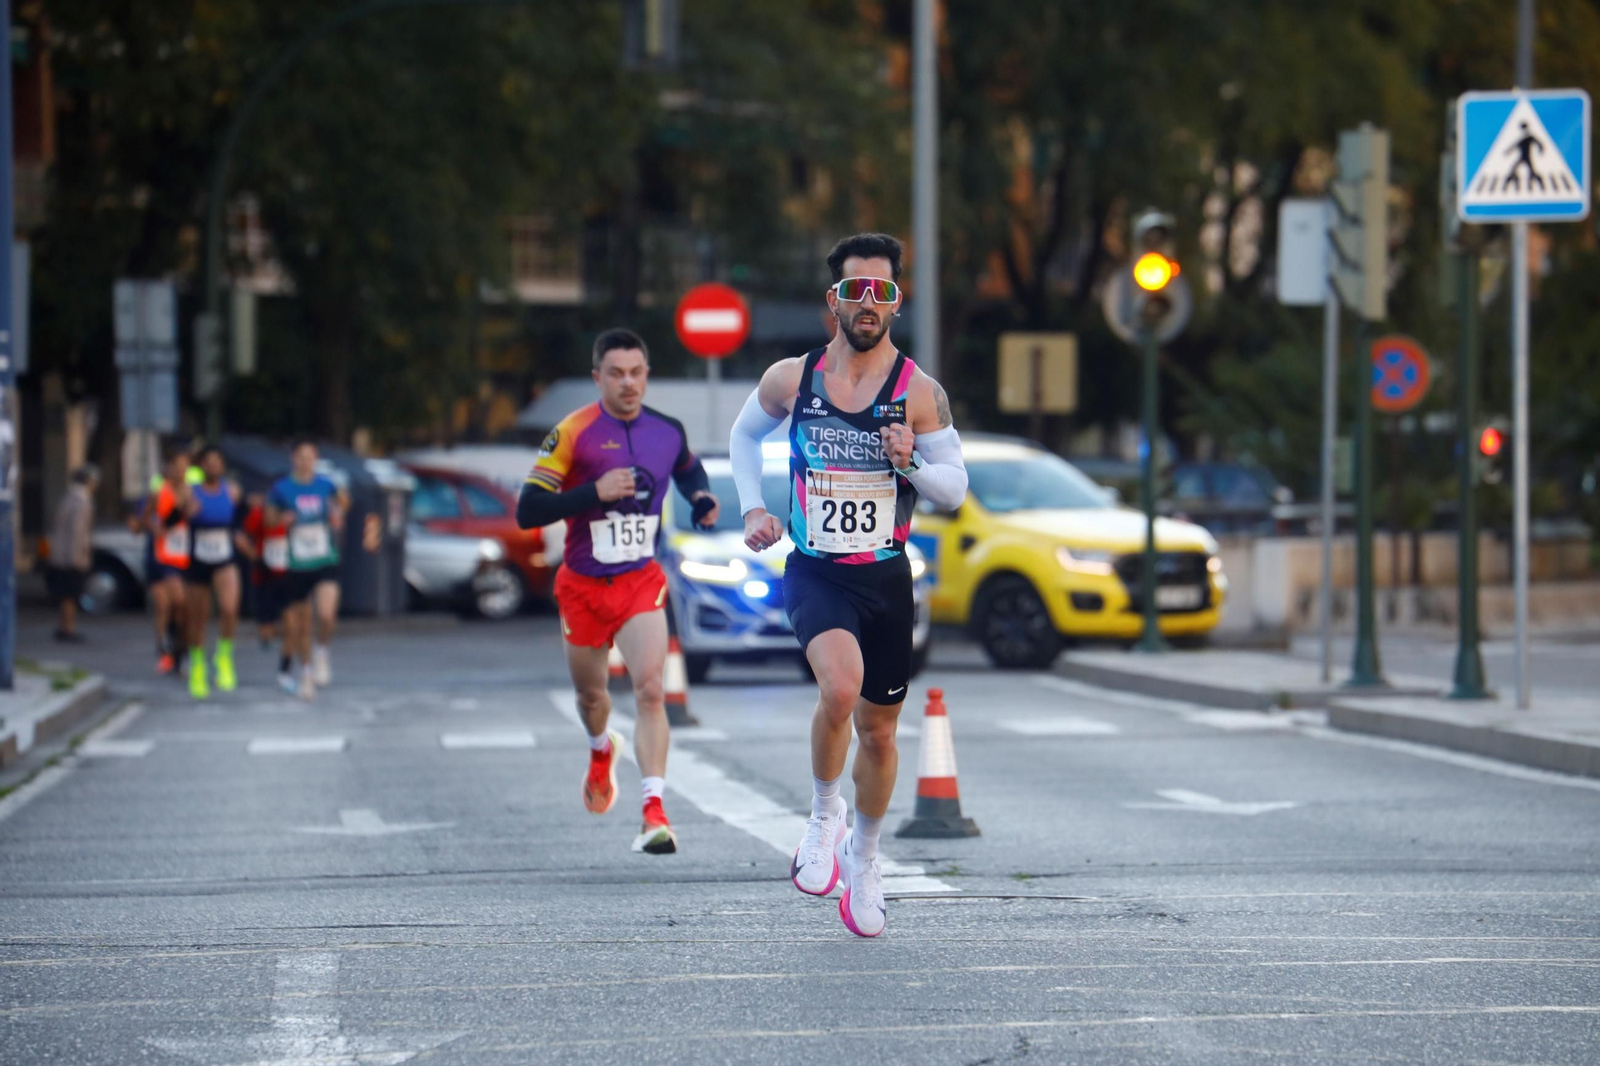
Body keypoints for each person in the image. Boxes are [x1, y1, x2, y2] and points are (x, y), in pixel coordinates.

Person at [729, 233, 968, 938]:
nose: (870, 304)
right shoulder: (791, 379)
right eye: (856, 290)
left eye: (883, 292)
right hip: (816, 567)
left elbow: (954, 489)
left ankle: (865, 857)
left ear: (896, 303)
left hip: (885, 576)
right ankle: (823, 812)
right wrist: (752, 508)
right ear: (832, 300)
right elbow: (744, 438)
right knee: (839, 689)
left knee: (881, 732)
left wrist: (911, 464)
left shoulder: (920, 393)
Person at [517, 328, 719, 856]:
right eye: (616, 374)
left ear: (646, 375)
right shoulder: (572, 432)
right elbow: (527, 509)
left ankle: (654, 811)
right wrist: (592, 493)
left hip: (638, 581)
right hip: (583, 586)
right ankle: (600, 749)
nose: (628, 383)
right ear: (597, 377)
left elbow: (688, 467)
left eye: (636, 373)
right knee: (592, 696)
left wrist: (700, 498)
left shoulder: (666, 430)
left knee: (651, 690)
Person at [266, 440, 348, 701]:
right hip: (297, 561)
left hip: (324, 557)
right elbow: (268, 518)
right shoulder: (281, 488)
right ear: (293, 459)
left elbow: (343, 503)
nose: (305, 462)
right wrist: (281, 520)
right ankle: (306, 672)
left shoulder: (326, 484)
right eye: (300, 457)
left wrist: (338, 512)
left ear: (316, 459)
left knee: (326, 615)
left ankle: (322, 650)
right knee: (302, 623)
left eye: (310, 457)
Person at [181, 446, 249, 699]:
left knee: (230, 608)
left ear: (222, 466)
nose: (212, 467)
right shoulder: (191, 493)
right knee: (197, 618)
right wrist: (186, 513)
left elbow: (240, 521)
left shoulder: (231, 491)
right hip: (198, 557)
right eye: (207, 463)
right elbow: (174, 522)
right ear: (201, 466)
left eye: (216, 462)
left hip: (224, 555)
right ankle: (198, 665)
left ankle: (224, 655)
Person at [146, 446, 194, 675]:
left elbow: (196, 515)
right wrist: (154, 526)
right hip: (164, 556)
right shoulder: (160, 492)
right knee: (166, 604)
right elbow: (147, 519)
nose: (181, 471)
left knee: (182, 608)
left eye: (185, 466)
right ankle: (163, 648)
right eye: (177, 466)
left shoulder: (193, 492)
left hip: (186, 557)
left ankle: (178, 649)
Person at [241, 490, 293, 683]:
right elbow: (242, 536)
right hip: (264, 575)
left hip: (286, 576)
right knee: (266, 625)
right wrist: (254, 555)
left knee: (291, 623)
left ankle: (285, 666)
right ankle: (267, 634)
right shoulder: (257, 516)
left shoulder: (291, 517)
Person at [46, 464, 99, 643]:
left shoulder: (67, 497)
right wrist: (79, 557)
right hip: (72, 556)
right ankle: (69, 628)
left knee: (65, 594)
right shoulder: (82, 500)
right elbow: (78, 532)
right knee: (71, 594)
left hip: (60, 554)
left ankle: (64, 626)